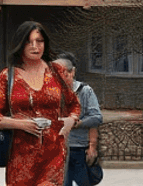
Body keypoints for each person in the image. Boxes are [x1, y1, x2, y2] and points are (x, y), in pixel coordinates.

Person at [0, 20, 80, 186]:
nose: (35, 46)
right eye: (29, 41)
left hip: (53, 155)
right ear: (20, 44)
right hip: (20, 158)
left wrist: (71, 120)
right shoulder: (8, 76)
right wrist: (20, 124)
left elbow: (74, 105)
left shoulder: (57, 72)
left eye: (39, 41)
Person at [51, 52, 102, 186]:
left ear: (72, 72)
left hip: (79, 150)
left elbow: (96, 118)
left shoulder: (85, 91)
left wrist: (78, 124)